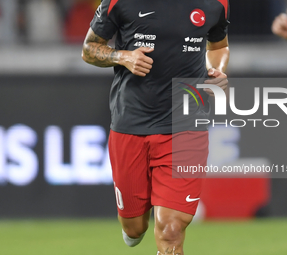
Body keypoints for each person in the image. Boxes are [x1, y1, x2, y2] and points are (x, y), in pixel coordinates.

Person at [81, 0, 230, 254]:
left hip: (186, 126)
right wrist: (123, 56)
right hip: (131, 124)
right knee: (134, 227)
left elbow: (219, 46)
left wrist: (216, 70)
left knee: (171, 230)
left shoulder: (215, 4)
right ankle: (132, 227)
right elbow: (89, 48)